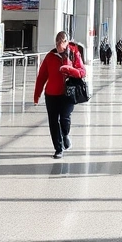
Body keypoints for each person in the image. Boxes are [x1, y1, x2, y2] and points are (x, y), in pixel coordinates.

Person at [33, 31, 86, 159]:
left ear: (67, 42)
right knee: (53, 121)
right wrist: (37, 95)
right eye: (57, 42)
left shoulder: (74, 53)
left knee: (65, 118)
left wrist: (70, 70)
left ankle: (65, 134)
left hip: (68, 94)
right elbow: (41, 77)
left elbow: (82, 72)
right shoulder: (50, 56)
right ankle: (58, 148)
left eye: (61, 42)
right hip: (51, 95)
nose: (58, 45)